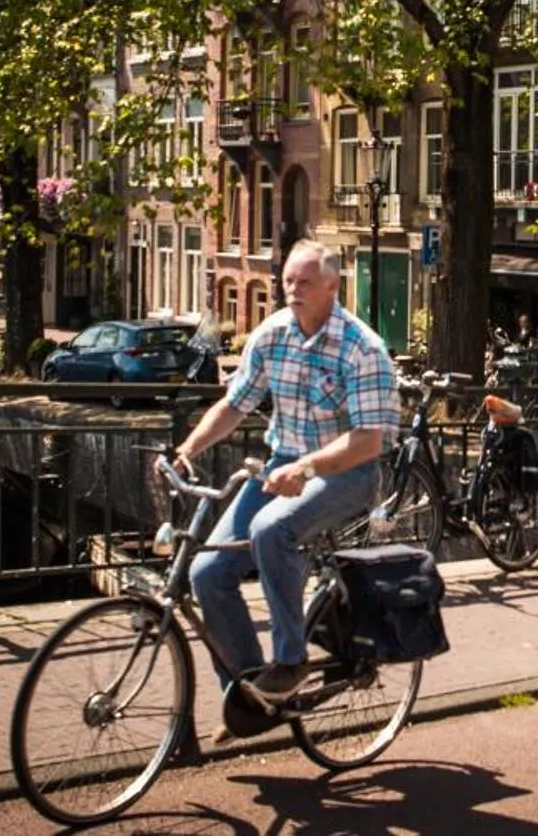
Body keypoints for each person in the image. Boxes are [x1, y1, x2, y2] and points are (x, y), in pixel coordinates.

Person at [170, 239, 400, 725]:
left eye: (305, 282)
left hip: (347, 471)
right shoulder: (272, 335)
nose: (292, 289)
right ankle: (252, 697)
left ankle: (291, 660)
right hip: (284, 464)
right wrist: (189, 449)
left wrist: (307, 468)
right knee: (206, 573)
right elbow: (235, 404)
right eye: (288, 280)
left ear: (333, 287)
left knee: (272, 530)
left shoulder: (364, 349)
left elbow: (368, 443)